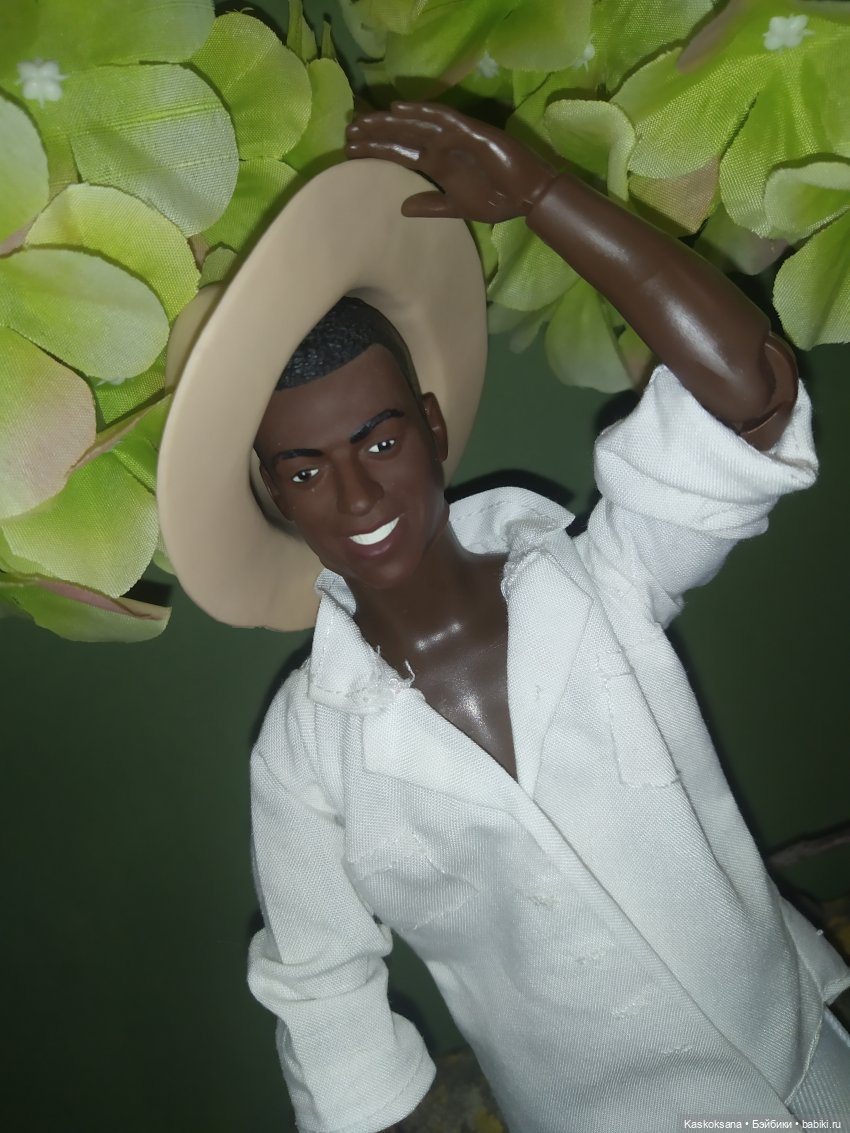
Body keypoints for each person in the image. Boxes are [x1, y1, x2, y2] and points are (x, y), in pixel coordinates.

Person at [158, 104, 850, 1132]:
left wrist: (547, 197)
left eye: (380, 441)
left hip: (796, 1056)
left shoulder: (596, 582)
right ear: (275, 498)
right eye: (305, 471)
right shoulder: (308, 754)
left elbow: (749, 401)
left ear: (433, 426)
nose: (357, 495)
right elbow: (319, 977)